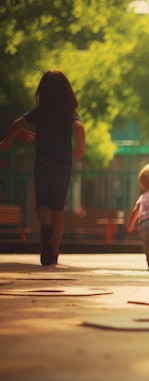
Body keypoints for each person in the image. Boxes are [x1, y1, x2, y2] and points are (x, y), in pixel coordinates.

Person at [0, 70, 85, 266]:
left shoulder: (39, 112)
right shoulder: (69, 113)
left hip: (44, 162)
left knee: (42, 203)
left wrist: (7, 141)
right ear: (67, 92)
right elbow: (79, 127)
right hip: (64, 163)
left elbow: (17, 123)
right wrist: (80, 147)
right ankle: (54, 250)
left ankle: (45, 225)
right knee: (58, 209)